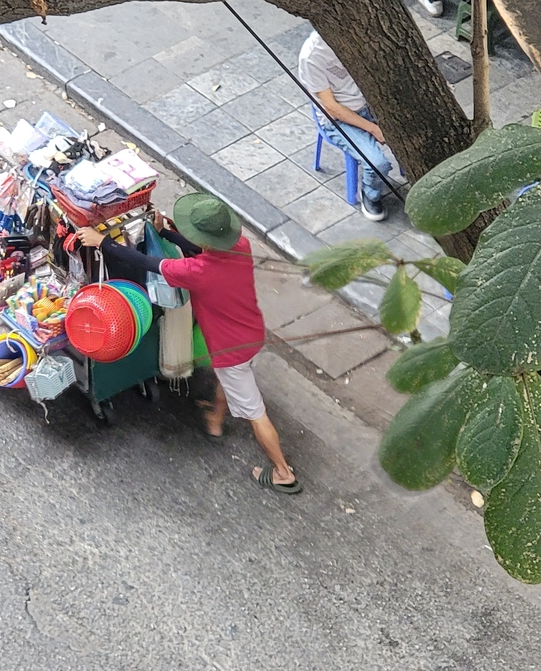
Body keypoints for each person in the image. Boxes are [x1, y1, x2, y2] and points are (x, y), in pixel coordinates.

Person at [75, 193, 300, 495]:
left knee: (256, 413)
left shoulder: (197, 272)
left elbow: (148, 262)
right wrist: (166, 232)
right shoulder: (241, 247)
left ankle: (283, 472)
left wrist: (103, 243)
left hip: (231, 351)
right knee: (235, 380)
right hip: (253, 334)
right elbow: (199, 250)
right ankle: (215, 419)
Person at [298, 30, 393, 222]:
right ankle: (370, 193)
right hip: (340, 119)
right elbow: (331, 107)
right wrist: (373, 128)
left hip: (370, 101)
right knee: (378, 164)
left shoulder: (356, 32)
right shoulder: (312, 57)